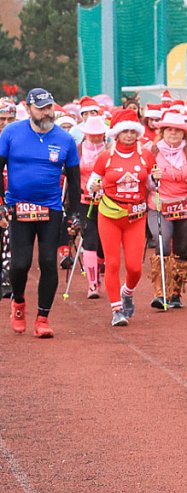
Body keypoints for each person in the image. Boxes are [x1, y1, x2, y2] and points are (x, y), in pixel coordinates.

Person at [0, 88, 81, 337]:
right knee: (20, 264)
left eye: (50, 107)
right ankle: (19, 302)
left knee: (48, 262)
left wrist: (74, 215)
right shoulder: (11, 133)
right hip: (19, 207)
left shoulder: (65, 139)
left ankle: (43, 318)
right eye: (42, 108)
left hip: (51, 208)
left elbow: (75, 182)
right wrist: (2, 203)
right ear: (30, 109)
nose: (47, 112)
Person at [87, 109, 155, 326]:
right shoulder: (105, 157)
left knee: (135, 267)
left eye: (132, 131)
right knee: (113, 263)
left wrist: (158, 179)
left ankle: (127, 292)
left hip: (136, 217)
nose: (128, 135)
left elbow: (152, 185)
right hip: (110, 215)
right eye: (124, 131)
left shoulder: (146, 155)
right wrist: (95, 187)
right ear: (116, 133)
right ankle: (116, 309)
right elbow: (92, 186)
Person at [147, 111, 187, 309]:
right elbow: (140, 177)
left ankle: (175, 293)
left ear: (184, 134)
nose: (173, 133)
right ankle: (160, 293)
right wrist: (151, 178)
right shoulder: (152, 151)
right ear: (162, 132)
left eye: (178, 131)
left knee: (182, 250)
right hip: (158, 206)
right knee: (163, 243)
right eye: (169, 130)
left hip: (186, 206)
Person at [77, 115, 109, 299]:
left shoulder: (109, 150)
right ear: (86, 134)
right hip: (85, 201)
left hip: (107, 201)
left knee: (104, 243)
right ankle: (92, 283)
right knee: (89, 240)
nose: (96, 138)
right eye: (92, 134)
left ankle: (100, 266)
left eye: (99, 134)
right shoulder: (79, 150)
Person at [0, 98, 15, 298]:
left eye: (10, 118)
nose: (5, 122)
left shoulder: (19, 141)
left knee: (10, 241)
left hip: (13, 199)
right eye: (1, 118)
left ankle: (7, 280)